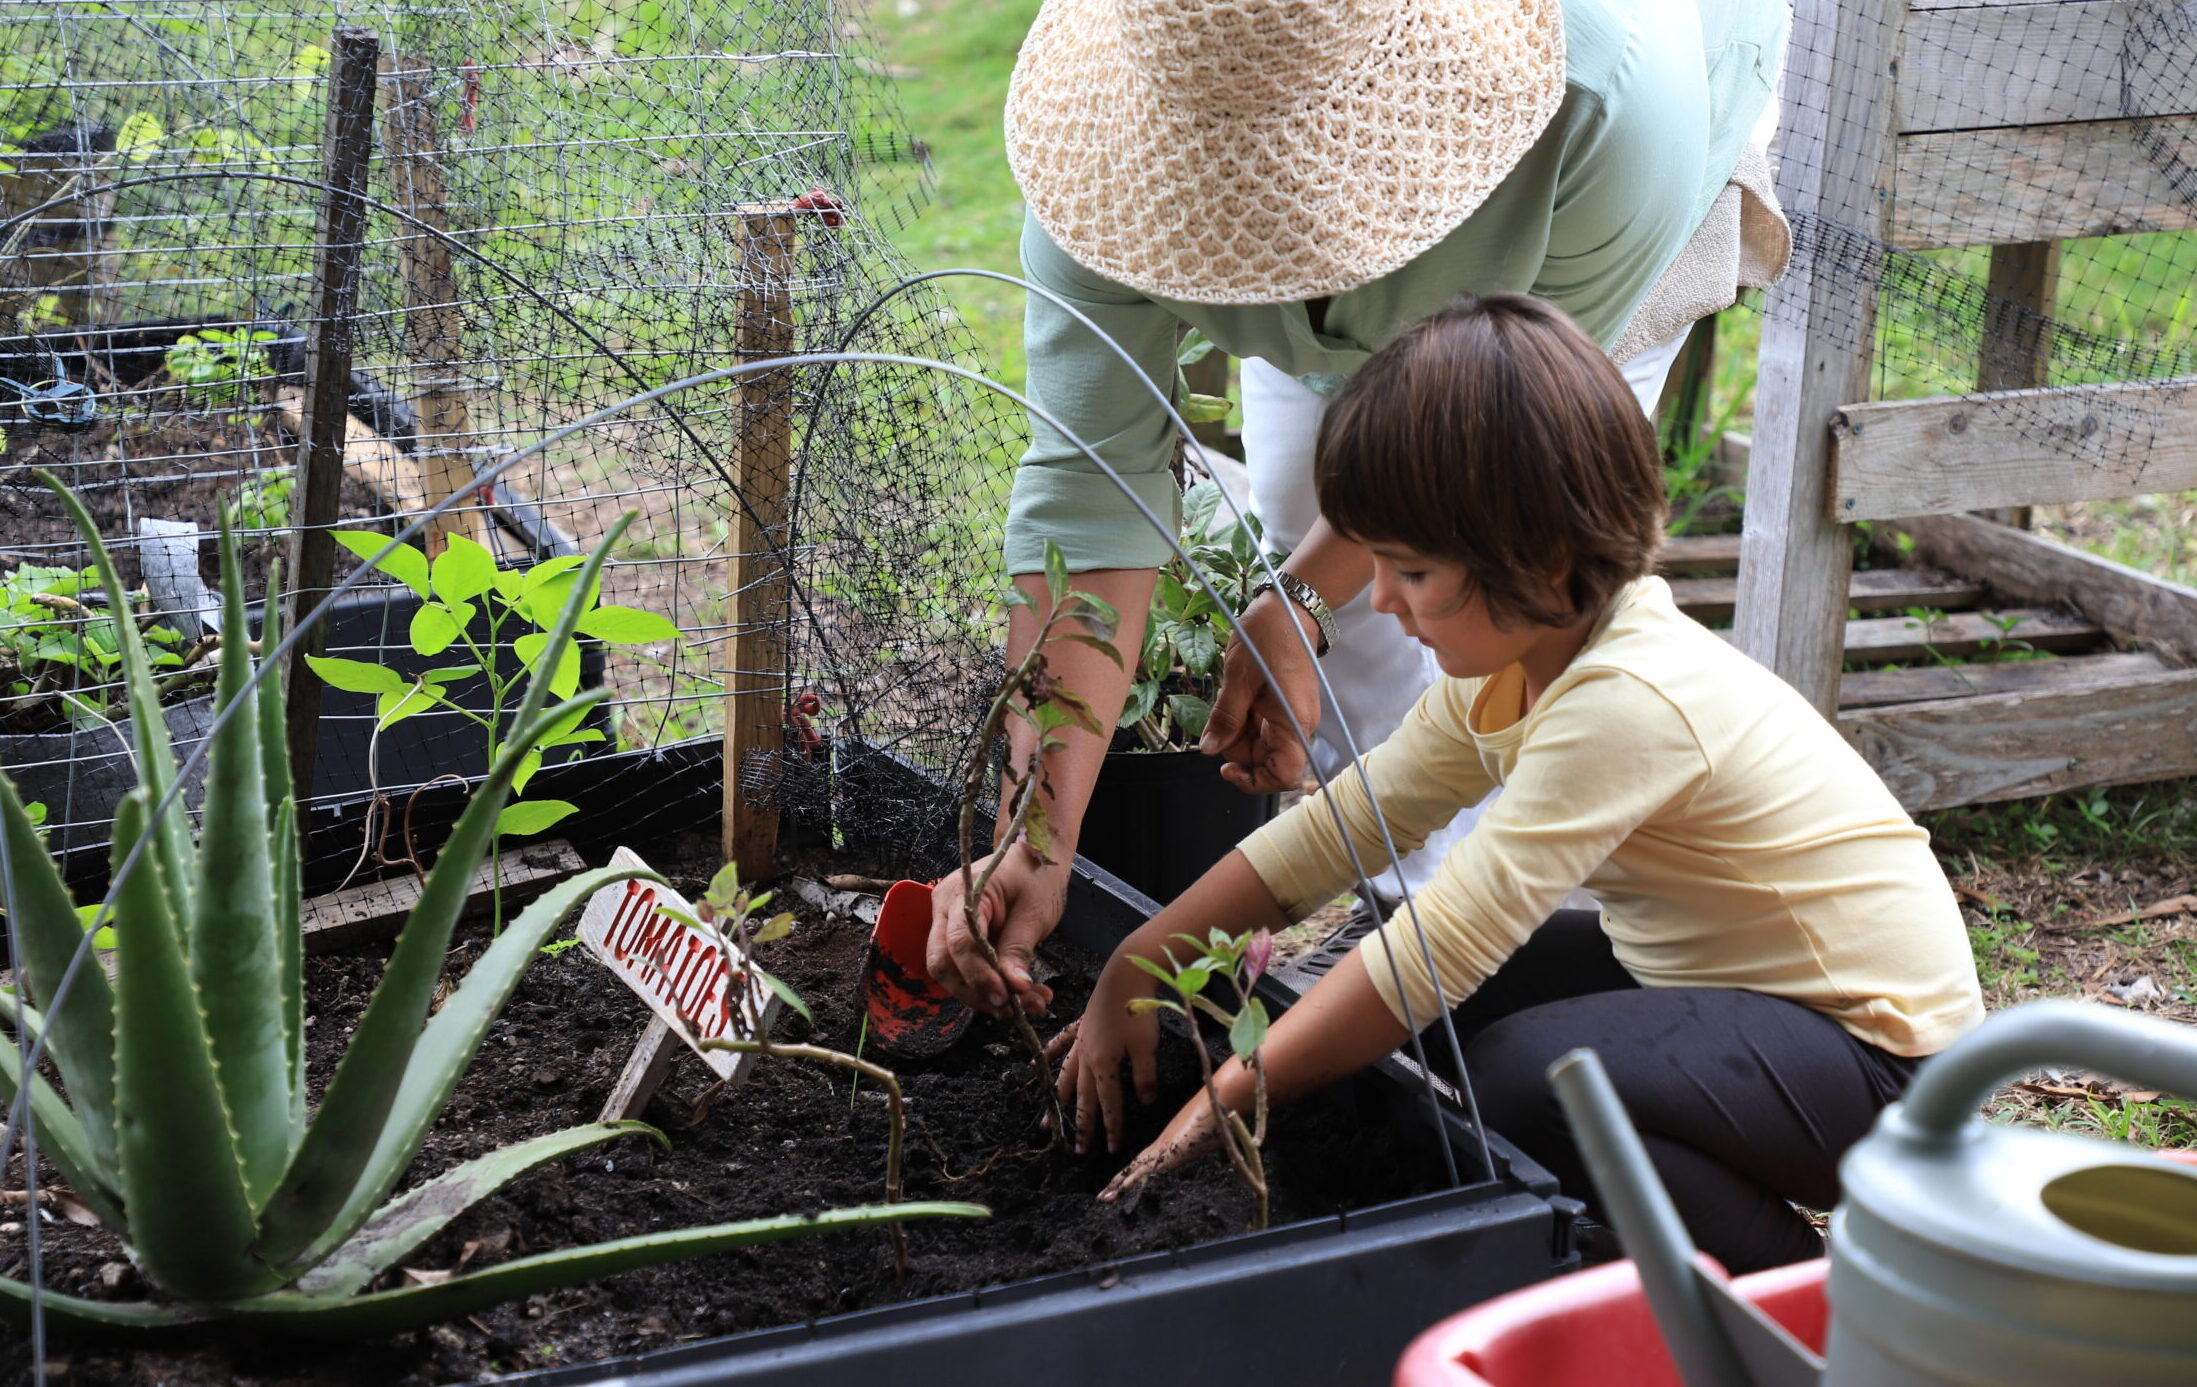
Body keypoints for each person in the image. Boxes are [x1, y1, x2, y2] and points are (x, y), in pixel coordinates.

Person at [1048, 296, 1985, 1274]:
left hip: (1886, 1065)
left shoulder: (1625, 699)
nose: (1379, 599)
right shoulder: (1517, 665)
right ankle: (1608, 1236)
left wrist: (1223, 1101)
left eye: (1411, 570)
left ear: (1536, 560)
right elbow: (1338, 831)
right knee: (1421, 1014)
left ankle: (1798, 1293)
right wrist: (1137, 961)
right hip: (1736, 988)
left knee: (1531, 1080)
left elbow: (1445, 942)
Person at [928, 0, 1794, 1014]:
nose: (1267, 204)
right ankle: (1387, 906)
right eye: (1226, 182)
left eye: (1296, 177)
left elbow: (1492, 427)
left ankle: (1460, 952)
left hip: (1569, 242)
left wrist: (1298, 599)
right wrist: (1035, 836)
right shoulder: (1105, 153)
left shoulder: (1606, 96)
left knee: (1492, 596)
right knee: (1312, 520)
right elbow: (1088, 492)